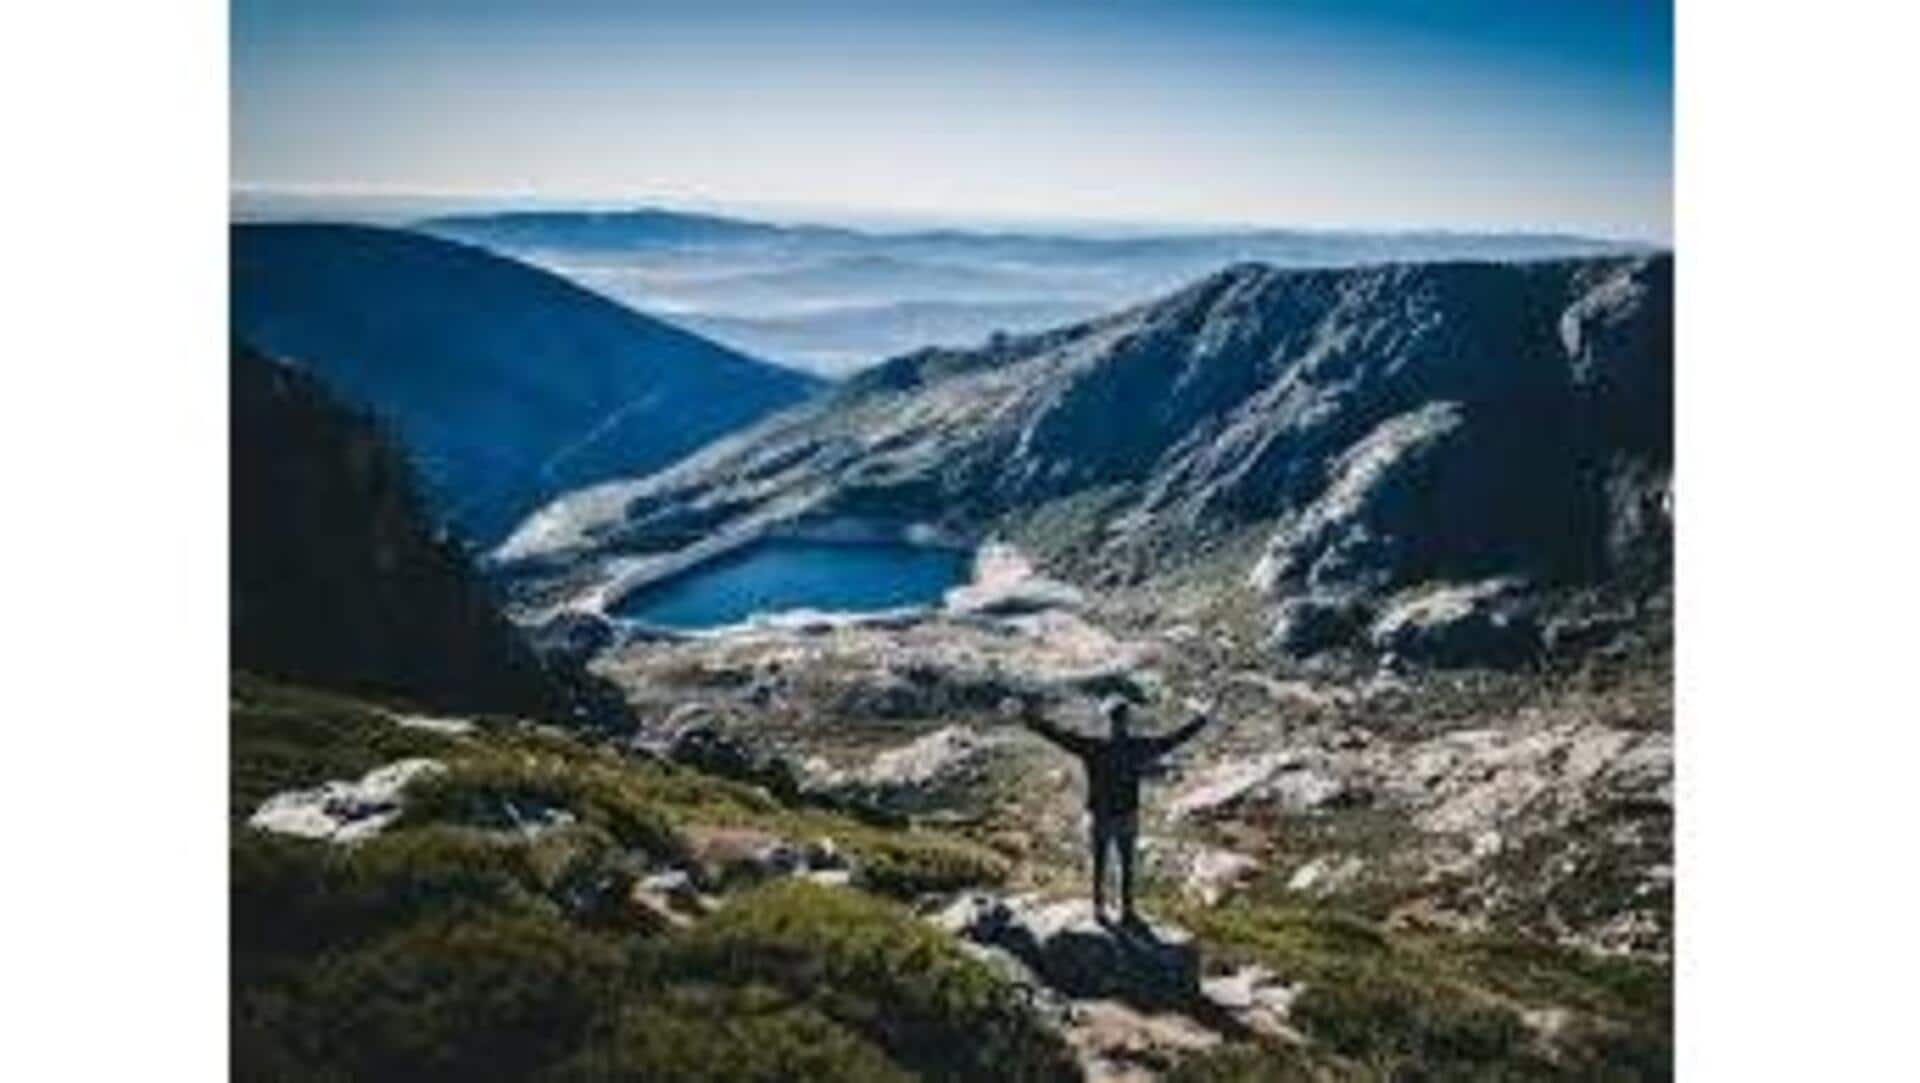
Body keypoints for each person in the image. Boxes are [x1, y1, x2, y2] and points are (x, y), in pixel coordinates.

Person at [1018, 693, 1215, 925]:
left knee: (1100, 863)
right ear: (1126, 720)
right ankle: (1127, 911)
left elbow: (1060, 737)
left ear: (1108, 721)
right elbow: (1172, 740)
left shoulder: (1094, 747)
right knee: (1127, 865)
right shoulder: (1138, 748)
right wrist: (1201, 720)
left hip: (1100, 816)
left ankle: (1099, 909)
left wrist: (1030, 720)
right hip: (1127, 816)